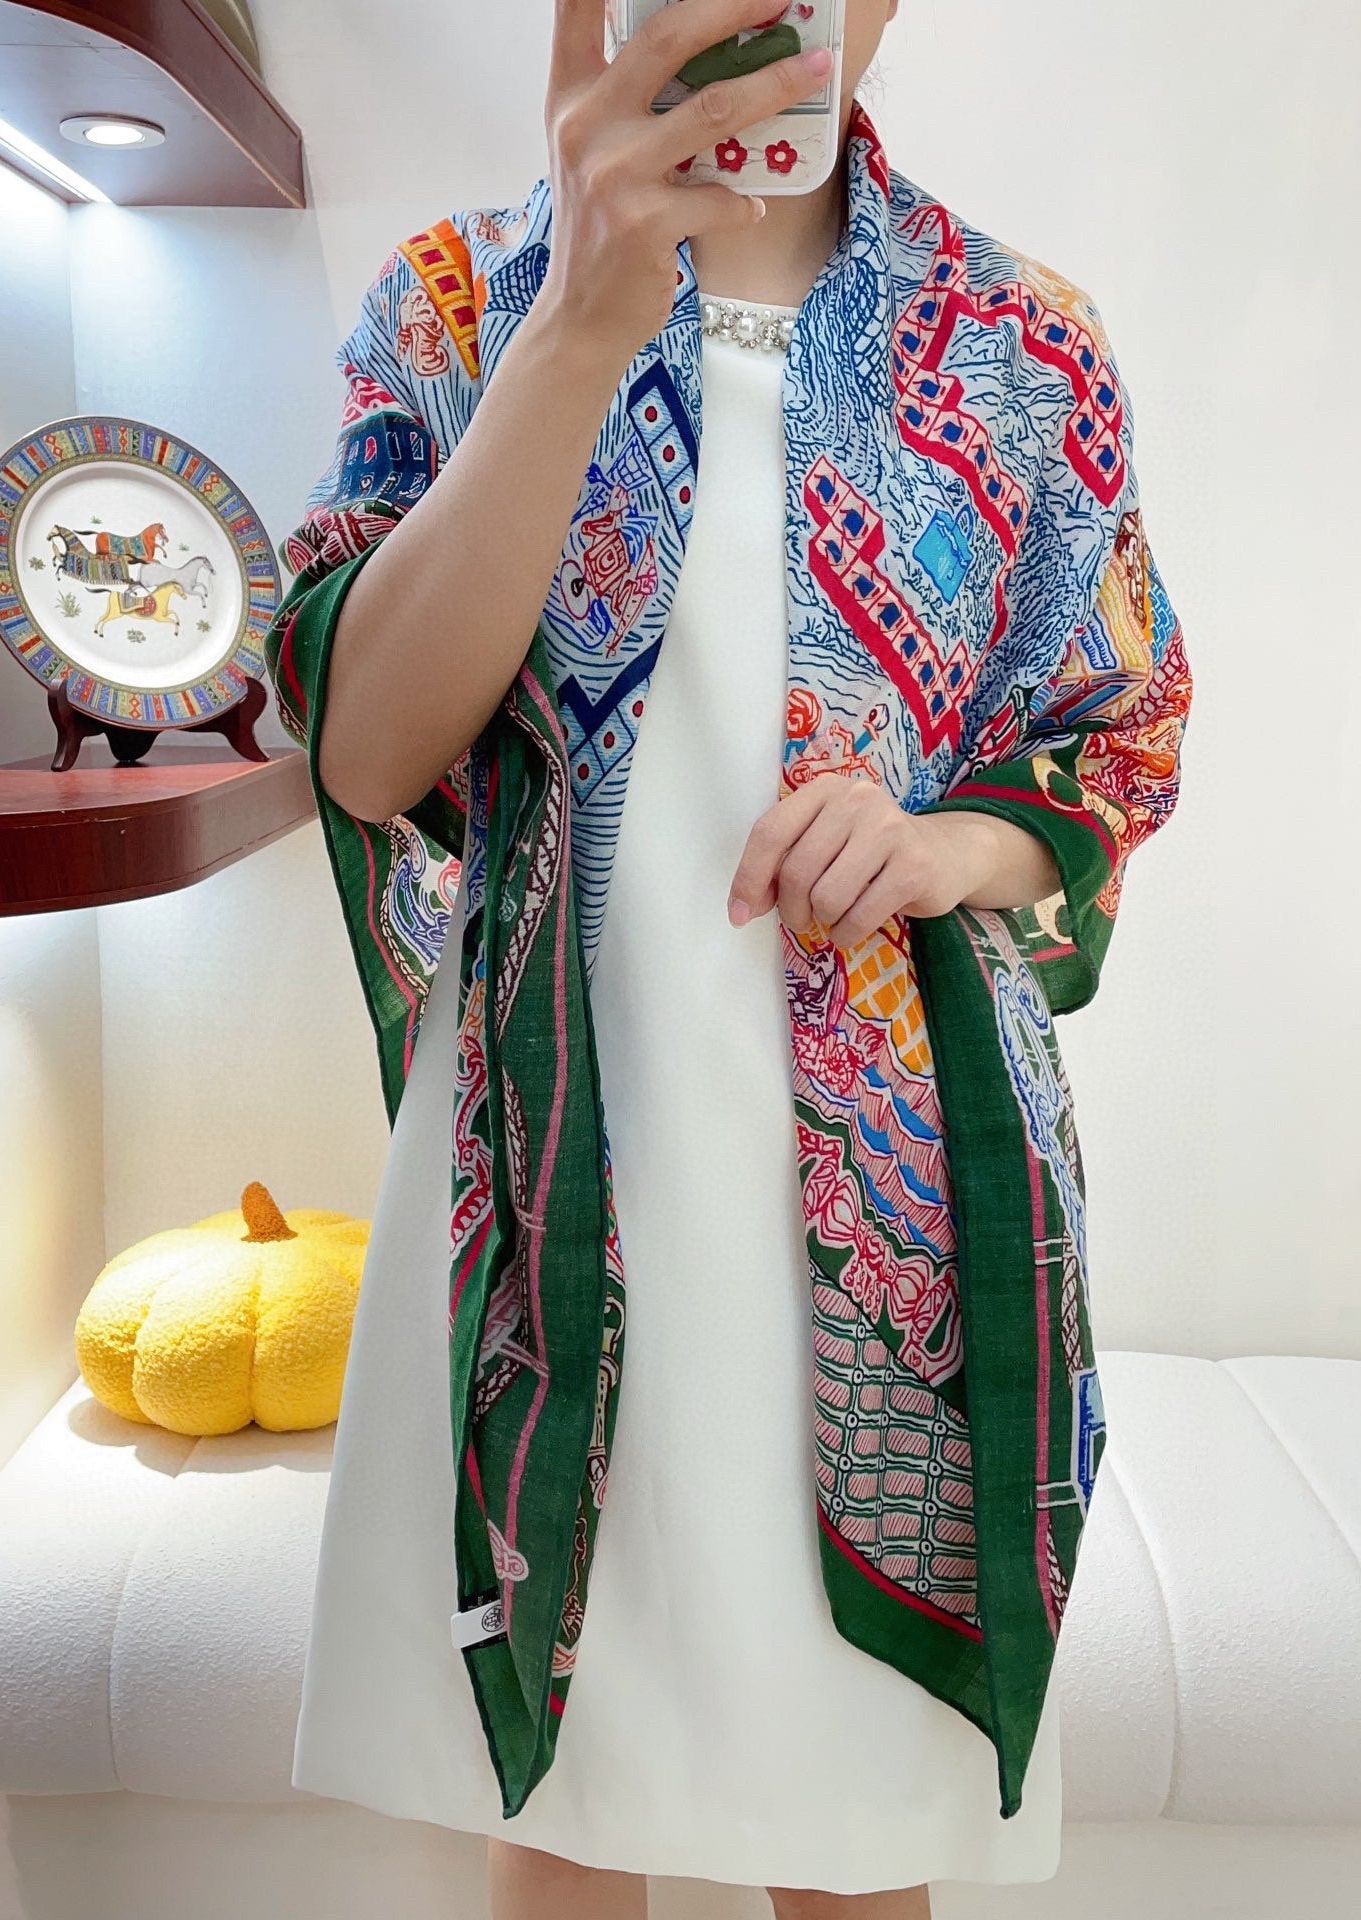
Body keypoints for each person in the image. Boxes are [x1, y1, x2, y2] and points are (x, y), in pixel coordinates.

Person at [263, 2, 1193, 1916]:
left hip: (887, 1203)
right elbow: (365, 751)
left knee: (855, 1836)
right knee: (563, 1810)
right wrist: (577, 326)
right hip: (545, 1166)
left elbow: (1116, 734)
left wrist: (940, 842)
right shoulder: (460, 299)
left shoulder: (1025, 345)